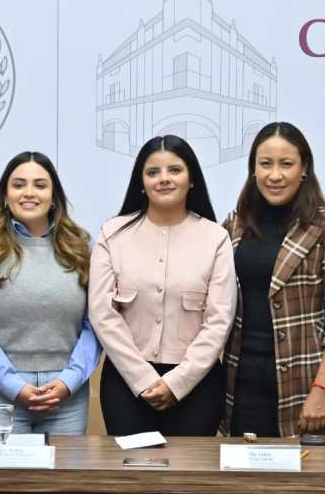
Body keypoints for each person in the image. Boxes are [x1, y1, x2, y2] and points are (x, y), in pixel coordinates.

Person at [221, 122, 325, 439]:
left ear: (304, 169)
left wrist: (321, 389)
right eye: (265, 164)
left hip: (306, 382)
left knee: (307, 479)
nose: (275, 175)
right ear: (253, 170)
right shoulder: (234, 223)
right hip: (242, 381)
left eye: (286, 164)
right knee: (245, 480)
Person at [89, 135, 236, 436]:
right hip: (126, 382)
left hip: (197, 384)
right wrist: (142, 378)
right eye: (153, 172)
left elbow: (219, 320)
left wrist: (177, 382)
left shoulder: (215, 237)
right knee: (130, 477)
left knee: (188, 480)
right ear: (141, 182)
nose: (164, 179)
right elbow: (102, 313)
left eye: (175, 170)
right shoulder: (112, 234)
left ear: (191, 179)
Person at [0, 152, 98, 435]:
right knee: (4, 478)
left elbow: (95, 324)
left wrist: (68, 382)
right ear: (5, 196)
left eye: (40, 185)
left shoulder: (82, 247)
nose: (29, 193)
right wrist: (14, 386)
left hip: (66, 396)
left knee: (64, 480)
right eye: (19, 185)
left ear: (54, 196)